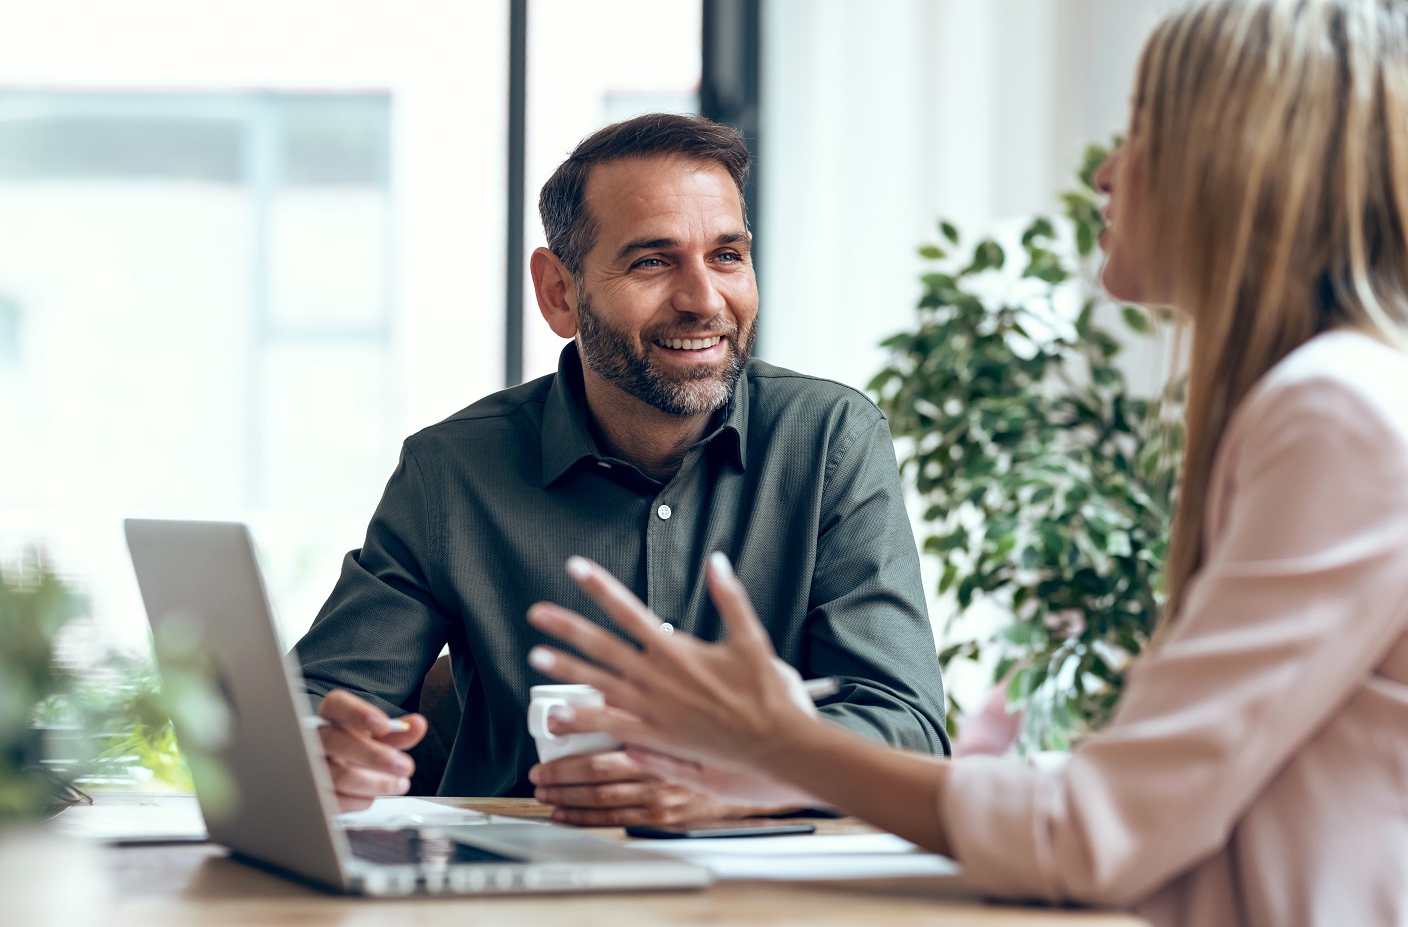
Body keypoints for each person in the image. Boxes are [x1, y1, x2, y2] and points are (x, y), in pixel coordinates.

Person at [523, 0, 1408, 922]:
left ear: (1244, 164)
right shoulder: (1320, 404)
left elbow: (1097, 830)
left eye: (1142, 130)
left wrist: (780, 747)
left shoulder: (1336, 413)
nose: (1105, 172)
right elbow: (1158, 796)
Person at [294, 113, 949, 824]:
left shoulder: (830, 440)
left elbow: (906, 727)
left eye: (726, 256)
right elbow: (316, 701)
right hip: (517, 879)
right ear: (559, 292)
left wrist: (740, 777)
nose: (703, 300)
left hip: (758, 885)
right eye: (652, 261)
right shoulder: (450, 469)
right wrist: (327, 752)